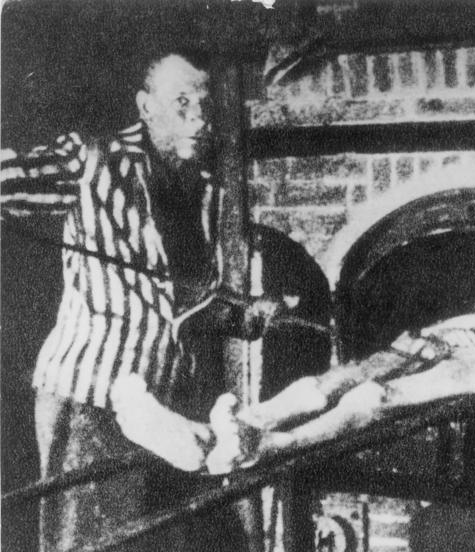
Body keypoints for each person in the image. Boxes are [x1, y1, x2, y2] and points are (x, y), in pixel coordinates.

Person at [1, 51, 278, 551]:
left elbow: (185, 302)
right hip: (92, 401)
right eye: (182, 103)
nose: (198, 118)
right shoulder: (92, 159)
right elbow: (8, 177)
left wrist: (245, 314)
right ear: (145, 106)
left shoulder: (205, 192)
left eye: (204, 105)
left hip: (168, 406)